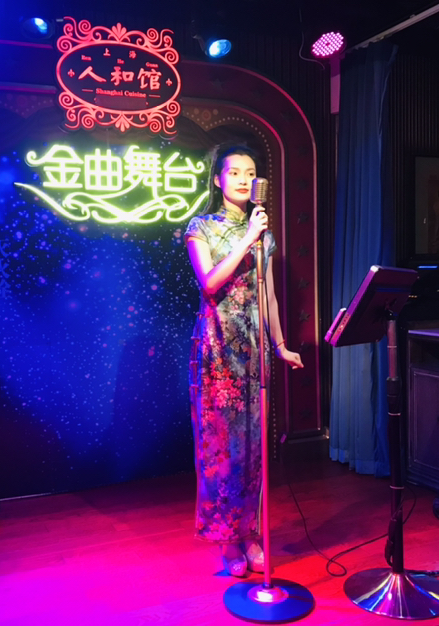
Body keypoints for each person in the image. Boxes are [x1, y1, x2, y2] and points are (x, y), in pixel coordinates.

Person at [184, 144, 303, 577]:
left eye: (250, 173)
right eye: (234, 172)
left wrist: (280, 344)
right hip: (217, 350)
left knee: (254, 450)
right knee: (221, 450)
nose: (242, 179)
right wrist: (248, 239)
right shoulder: (201, 227)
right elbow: (210, 283)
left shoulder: (264, 234)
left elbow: (268, 295)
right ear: (218, 179)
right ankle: (227, 540)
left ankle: (250, 533)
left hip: (254, 352)